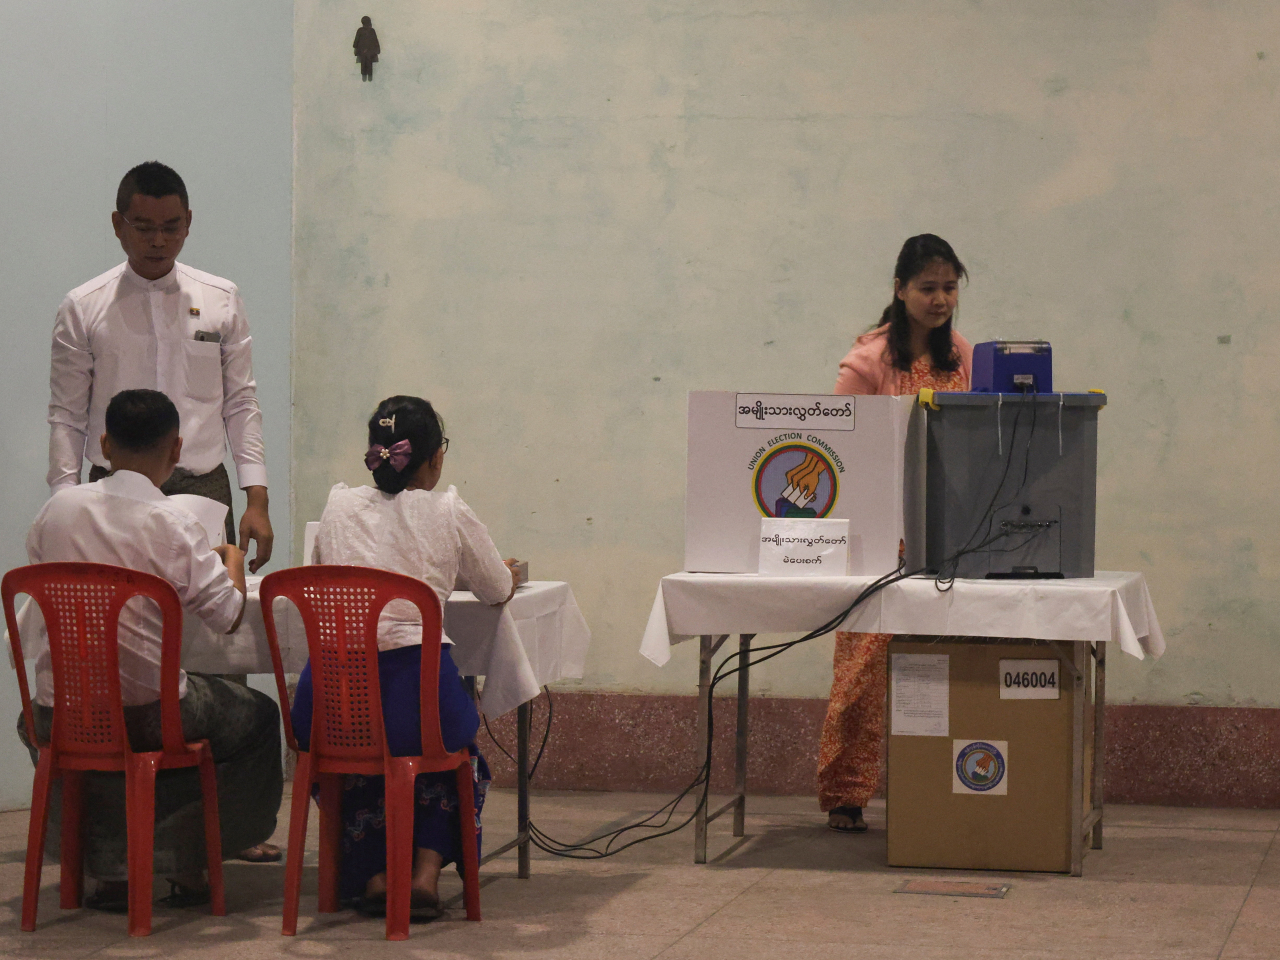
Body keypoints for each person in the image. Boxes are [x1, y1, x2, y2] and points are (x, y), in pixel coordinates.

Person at [17, 390, 284, 911]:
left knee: (47, 729)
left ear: (104, 444)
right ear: (177, 449)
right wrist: (227, 557)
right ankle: (190, 863)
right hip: (148, 716)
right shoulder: (172, 523)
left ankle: (104, 865)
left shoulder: (57, 510)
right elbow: (228, 616)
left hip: (57, 713)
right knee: (255, 718)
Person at [290, 395, 519, 919]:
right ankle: (423, 876)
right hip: (415, 696)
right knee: (456, 754)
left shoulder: (338, 505)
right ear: (436, 458)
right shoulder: (447, 508)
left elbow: (327, 571)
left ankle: (372, 875)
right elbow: (497, 587)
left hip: (332, 701)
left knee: (354, 761)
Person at [47, 161, 273, 573]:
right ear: (118, 225)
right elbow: (67, 415)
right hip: (112, 486)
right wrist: (65, 499)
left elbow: (241, 402)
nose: (158, 241)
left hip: (202, 482)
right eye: (144, 227)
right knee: (117, 613)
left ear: (188, 222)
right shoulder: (83, 307)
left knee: (208, 622)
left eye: (171, 227)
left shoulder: (221, 299)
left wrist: (257, 497)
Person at [819, 234, 974, 833]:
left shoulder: (962, 356)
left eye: (950, 288)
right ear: (900, 290)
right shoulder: (867, 362)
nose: (940, 300)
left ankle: (943, 782)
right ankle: (846, 794)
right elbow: (838, 449)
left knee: (945, 664)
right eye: (928, 288)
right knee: (861, 671)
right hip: (878, 540)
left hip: (950, 536)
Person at [354, 16, 380, 81]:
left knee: (363, 65)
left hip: (362, 52)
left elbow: (356, 42)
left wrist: (356, 48)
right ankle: (370, 79)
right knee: (369, 65)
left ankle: (364, 78)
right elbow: (375, 41)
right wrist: (377, 50)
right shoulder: (372, 31)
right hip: (370, 52)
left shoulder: (360, 30)